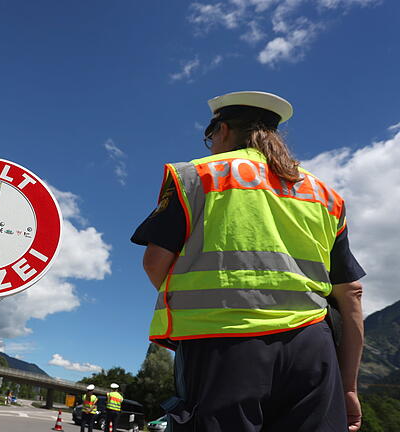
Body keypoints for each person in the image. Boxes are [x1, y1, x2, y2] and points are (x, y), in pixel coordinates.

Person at [131, 91, 365, 432]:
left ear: (222, 131)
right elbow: (352, 295)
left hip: (223, 344)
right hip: (313, 349)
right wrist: (347, 386)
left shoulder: (197, 175)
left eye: (210, 137)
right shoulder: (326, 197)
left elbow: (154, 263)